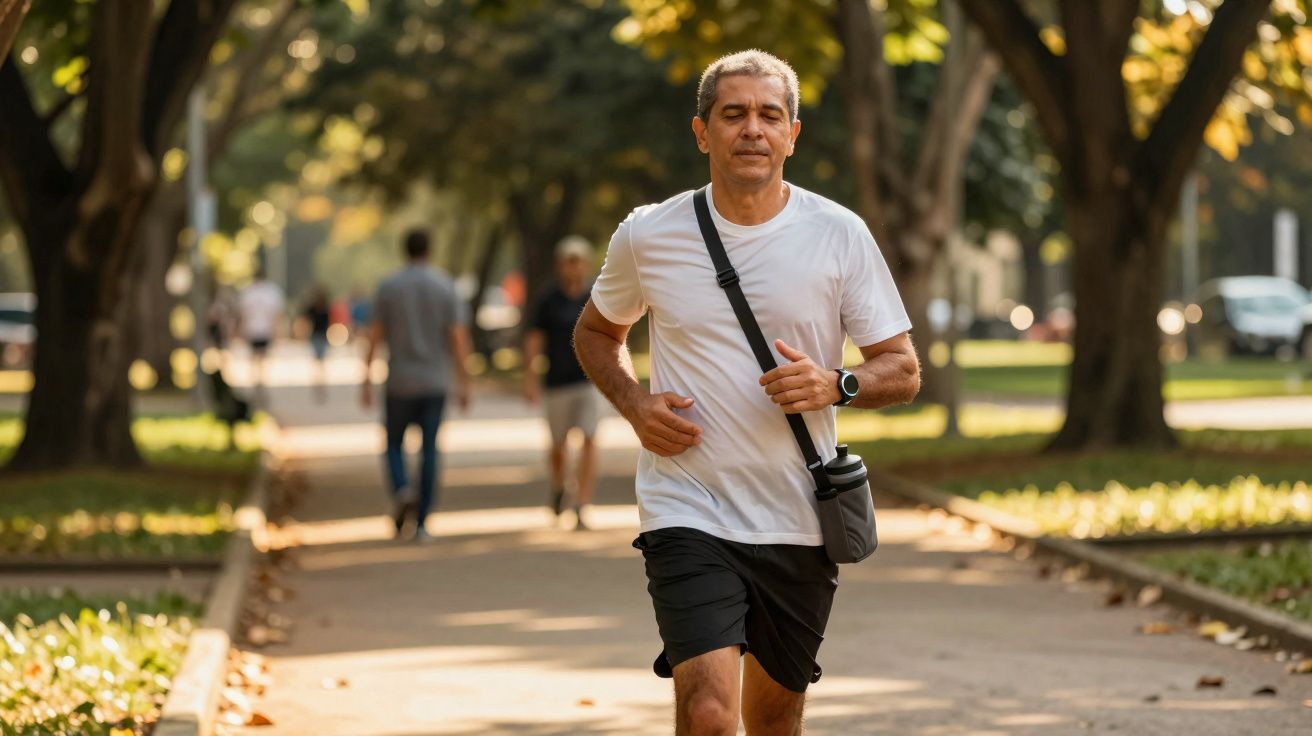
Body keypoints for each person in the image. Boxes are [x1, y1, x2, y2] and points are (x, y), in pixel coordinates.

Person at [573, 50, 921, 735]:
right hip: (687, 508)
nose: (752, 130)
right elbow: (594, 333)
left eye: (769, 115)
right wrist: (635, 404)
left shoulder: (838, 234)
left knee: (774, 721)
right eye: (733, 114)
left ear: (794, 133)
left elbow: (902, 368)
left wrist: (836, 383)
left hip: (799, 515)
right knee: (707, 713)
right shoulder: (649, 235)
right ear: (702, 132)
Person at [361, 229, 472, 543]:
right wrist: (465, 380)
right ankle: (422, 521)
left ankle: (401, 488)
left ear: (404, 250)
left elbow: (375, 334)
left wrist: (366, 378)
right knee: (430, 450)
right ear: (429, 250)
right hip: (435, 381)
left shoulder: (389, 286)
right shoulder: (445, 286)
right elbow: (458, 337)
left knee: (394, 443)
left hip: (399, 381)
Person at [523, 236, 602, 530]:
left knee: (590, 439)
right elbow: (534, 339)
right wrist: (530, 378)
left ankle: (582, 503)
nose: (574, 267)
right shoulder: (548, 299)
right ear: (560, 265)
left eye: (578, 261)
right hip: (556, 382)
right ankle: (559, 486)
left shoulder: (596, 295)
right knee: (558, 445)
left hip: (589, 381)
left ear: (586, 264)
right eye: (569, 261)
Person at [236, 266, 285, 405]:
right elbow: (277, 314)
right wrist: (278, 331)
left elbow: (242, 314)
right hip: (265, 331)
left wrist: (240, 331)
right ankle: (260, 384)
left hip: (252, 330)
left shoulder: (248, 292)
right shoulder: (271, 292)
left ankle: (257, 384)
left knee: (254, 359)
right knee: (262, 359)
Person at [303, 284, 332, 403]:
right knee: (319, 360)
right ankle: (318, 382)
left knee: (320, 361)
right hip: (316, 336)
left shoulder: (325, 307)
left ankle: (320, 382)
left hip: (321, 336)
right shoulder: (314, 308)